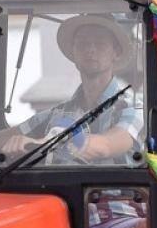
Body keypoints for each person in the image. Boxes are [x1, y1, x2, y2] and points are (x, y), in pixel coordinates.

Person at [9, 14, 144, 163]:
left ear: (116, 52)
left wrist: (46, 142)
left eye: (100, 43)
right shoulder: (57, 114)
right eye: (82, 43)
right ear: (73, 52)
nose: (90, 49)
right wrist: (10, 142)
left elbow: (105, 147)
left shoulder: (133, 108)